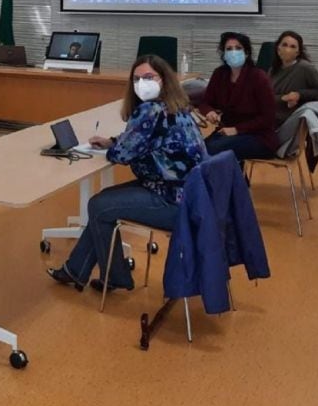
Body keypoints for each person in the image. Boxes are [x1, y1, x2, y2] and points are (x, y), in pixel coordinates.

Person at [47, 54, 205, 293]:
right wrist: (113, 141)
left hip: (173, 201)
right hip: (191, 195)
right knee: (103, 204)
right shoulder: (177, 106)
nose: (142, 83)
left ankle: (115, 277)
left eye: (149, 77)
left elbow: (122, 155)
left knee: (100, 205)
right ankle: (75, 270)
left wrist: (115, 147)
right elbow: (145, 140)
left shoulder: (151, 111)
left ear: (164, 79)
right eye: (137, 79)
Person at [199, 32, 279, 160]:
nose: (233, 52)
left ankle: (232, 178)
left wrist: (237, 129)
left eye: (238, 48)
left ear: (246, 53)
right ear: (224, 54)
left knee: (212, 150)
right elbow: (205, 103)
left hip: (259, 137)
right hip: (227, 132)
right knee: (198, 148)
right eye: (229, 49)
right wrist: (210, 112)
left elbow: (268, 118)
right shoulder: (219, 74)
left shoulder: (258, 77)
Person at [269, 30, 318, 126]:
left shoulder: (305, 68)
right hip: (272, 115)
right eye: (284, 45)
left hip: (290, 120)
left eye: (292, 47)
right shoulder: (273, 70)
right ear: (278, 48)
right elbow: (267, 97)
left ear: (298, 52)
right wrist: (283, 98)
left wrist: (299, 94)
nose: (287, 49)